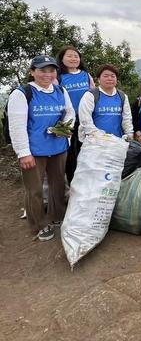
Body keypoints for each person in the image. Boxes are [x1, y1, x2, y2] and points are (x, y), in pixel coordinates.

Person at [7, 55, 75, 241]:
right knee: (34, 189)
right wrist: (23, 153)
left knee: (58, 184)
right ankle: (38, 224)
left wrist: (64, 128)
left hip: (58, 147)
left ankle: (56, 216)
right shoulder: (22, 93)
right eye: (42, 70)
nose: (47, 74)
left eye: (51, 70)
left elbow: (69, 112)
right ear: (32, 72)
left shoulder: (60, 90)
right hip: (34, 151)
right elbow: (17, 126)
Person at [56, 46, 95, 182]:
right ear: (62, 59)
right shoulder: (58, 76)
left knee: (85, 151)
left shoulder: (86, 75)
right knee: (69, 154)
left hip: (85, 120)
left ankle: (85, 182)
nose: (73, 58)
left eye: (76, 56)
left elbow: (94, 96)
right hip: (67, 122)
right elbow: (55, 97)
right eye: (69, 56)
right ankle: (71, 182)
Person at [78, 64, 133, 141]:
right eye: (105, 76)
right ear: (98, 79)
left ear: (116, 79)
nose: (109, 78)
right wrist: (100, 136)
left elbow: (127, 118)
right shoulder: (90, 95)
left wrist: (129, 134)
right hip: (95, 141)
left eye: (113, 76)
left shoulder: (122, 96)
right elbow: (85, 120)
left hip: (118, 140)